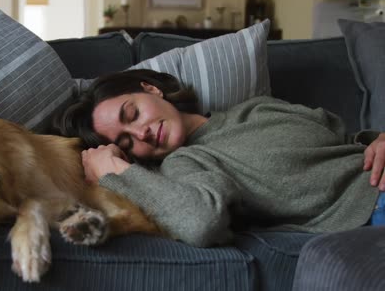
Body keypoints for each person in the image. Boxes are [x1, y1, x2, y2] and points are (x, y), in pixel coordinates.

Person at [56, 69, 385, 247]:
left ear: (151, 89)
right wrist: (115, 170)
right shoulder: (185, 163)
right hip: (372, 211)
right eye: (127, 143)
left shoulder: (256, 108)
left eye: (133, 113)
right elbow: (201, 223)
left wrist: (376, 139)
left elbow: (342, 139)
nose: (140, 133)